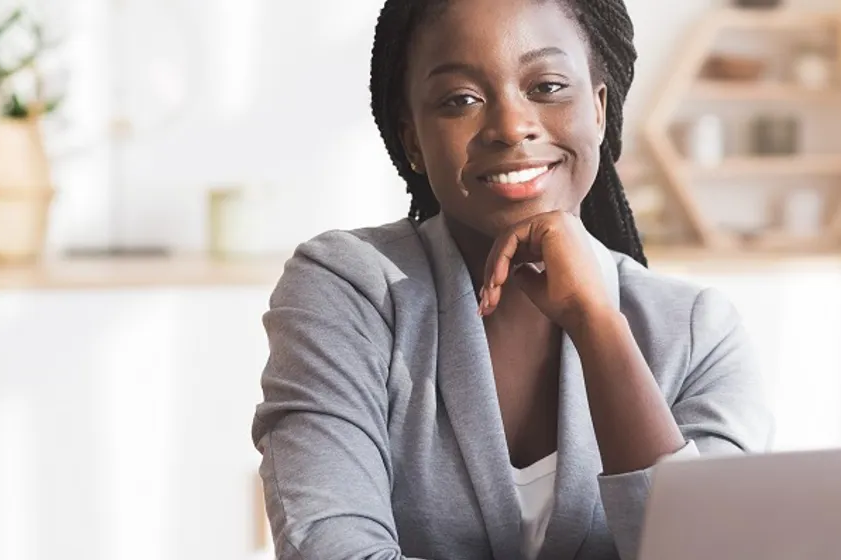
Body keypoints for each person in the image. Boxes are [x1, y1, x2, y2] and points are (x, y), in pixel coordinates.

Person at [250, 0, 773, 558]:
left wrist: (599, 328)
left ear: (598, 111)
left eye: (546, 87)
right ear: (412, 143)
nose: (510, 126)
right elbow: (330, 550)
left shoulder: (697, 335)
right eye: (461, 100)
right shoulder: (349, 290)